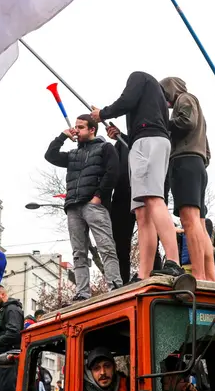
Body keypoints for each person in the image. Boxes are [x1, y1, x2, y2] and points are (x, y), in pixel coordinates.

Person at [91, 71, 184, 279]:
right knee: (142, 213)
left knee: (152, 199)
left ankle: (173, 261)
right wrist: (123, 135)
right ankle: (144, 273)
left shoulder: (138, 77)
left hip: (147, 142)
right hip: (142, 141)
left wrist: (103, 114)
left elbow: (127, 100)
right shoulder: (153, 101)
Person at [45, 114, 124, 299]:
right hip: (73, 206)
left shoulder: (105, 148)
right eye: (75, 127)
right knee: (78, 252)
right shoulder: (73, 155)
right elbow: (50, 155)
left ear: (92, 129)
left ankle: (114, 285)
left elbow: (113, 173)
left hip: (94, 205)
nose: (76, 130)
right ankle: (82, 293)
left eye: (80, 127)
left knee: (106, 247)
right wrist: (63, 136)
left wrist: (98, 197)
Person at [159, 77, 214, 281]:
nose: (164, 100)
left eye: (164, 94)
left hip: (184, 162)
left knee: (189, 222)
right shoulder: (197, 108)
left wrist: (162, 122)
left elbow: (185, 122)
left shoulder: (185, 99)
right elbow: (207, 150)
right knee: (198, 223)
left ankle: (198, 274)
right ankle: (209, 275)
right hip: (197, 164)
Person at [107, 124, 162, 284]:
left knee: (151, 236)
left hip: (145, 193)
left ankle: (155, 273)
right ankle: (121, 282)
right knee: (120, 242)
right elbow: (112, 170)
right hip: (123, 194)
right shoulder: (122, 144)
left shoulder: (155, 141)